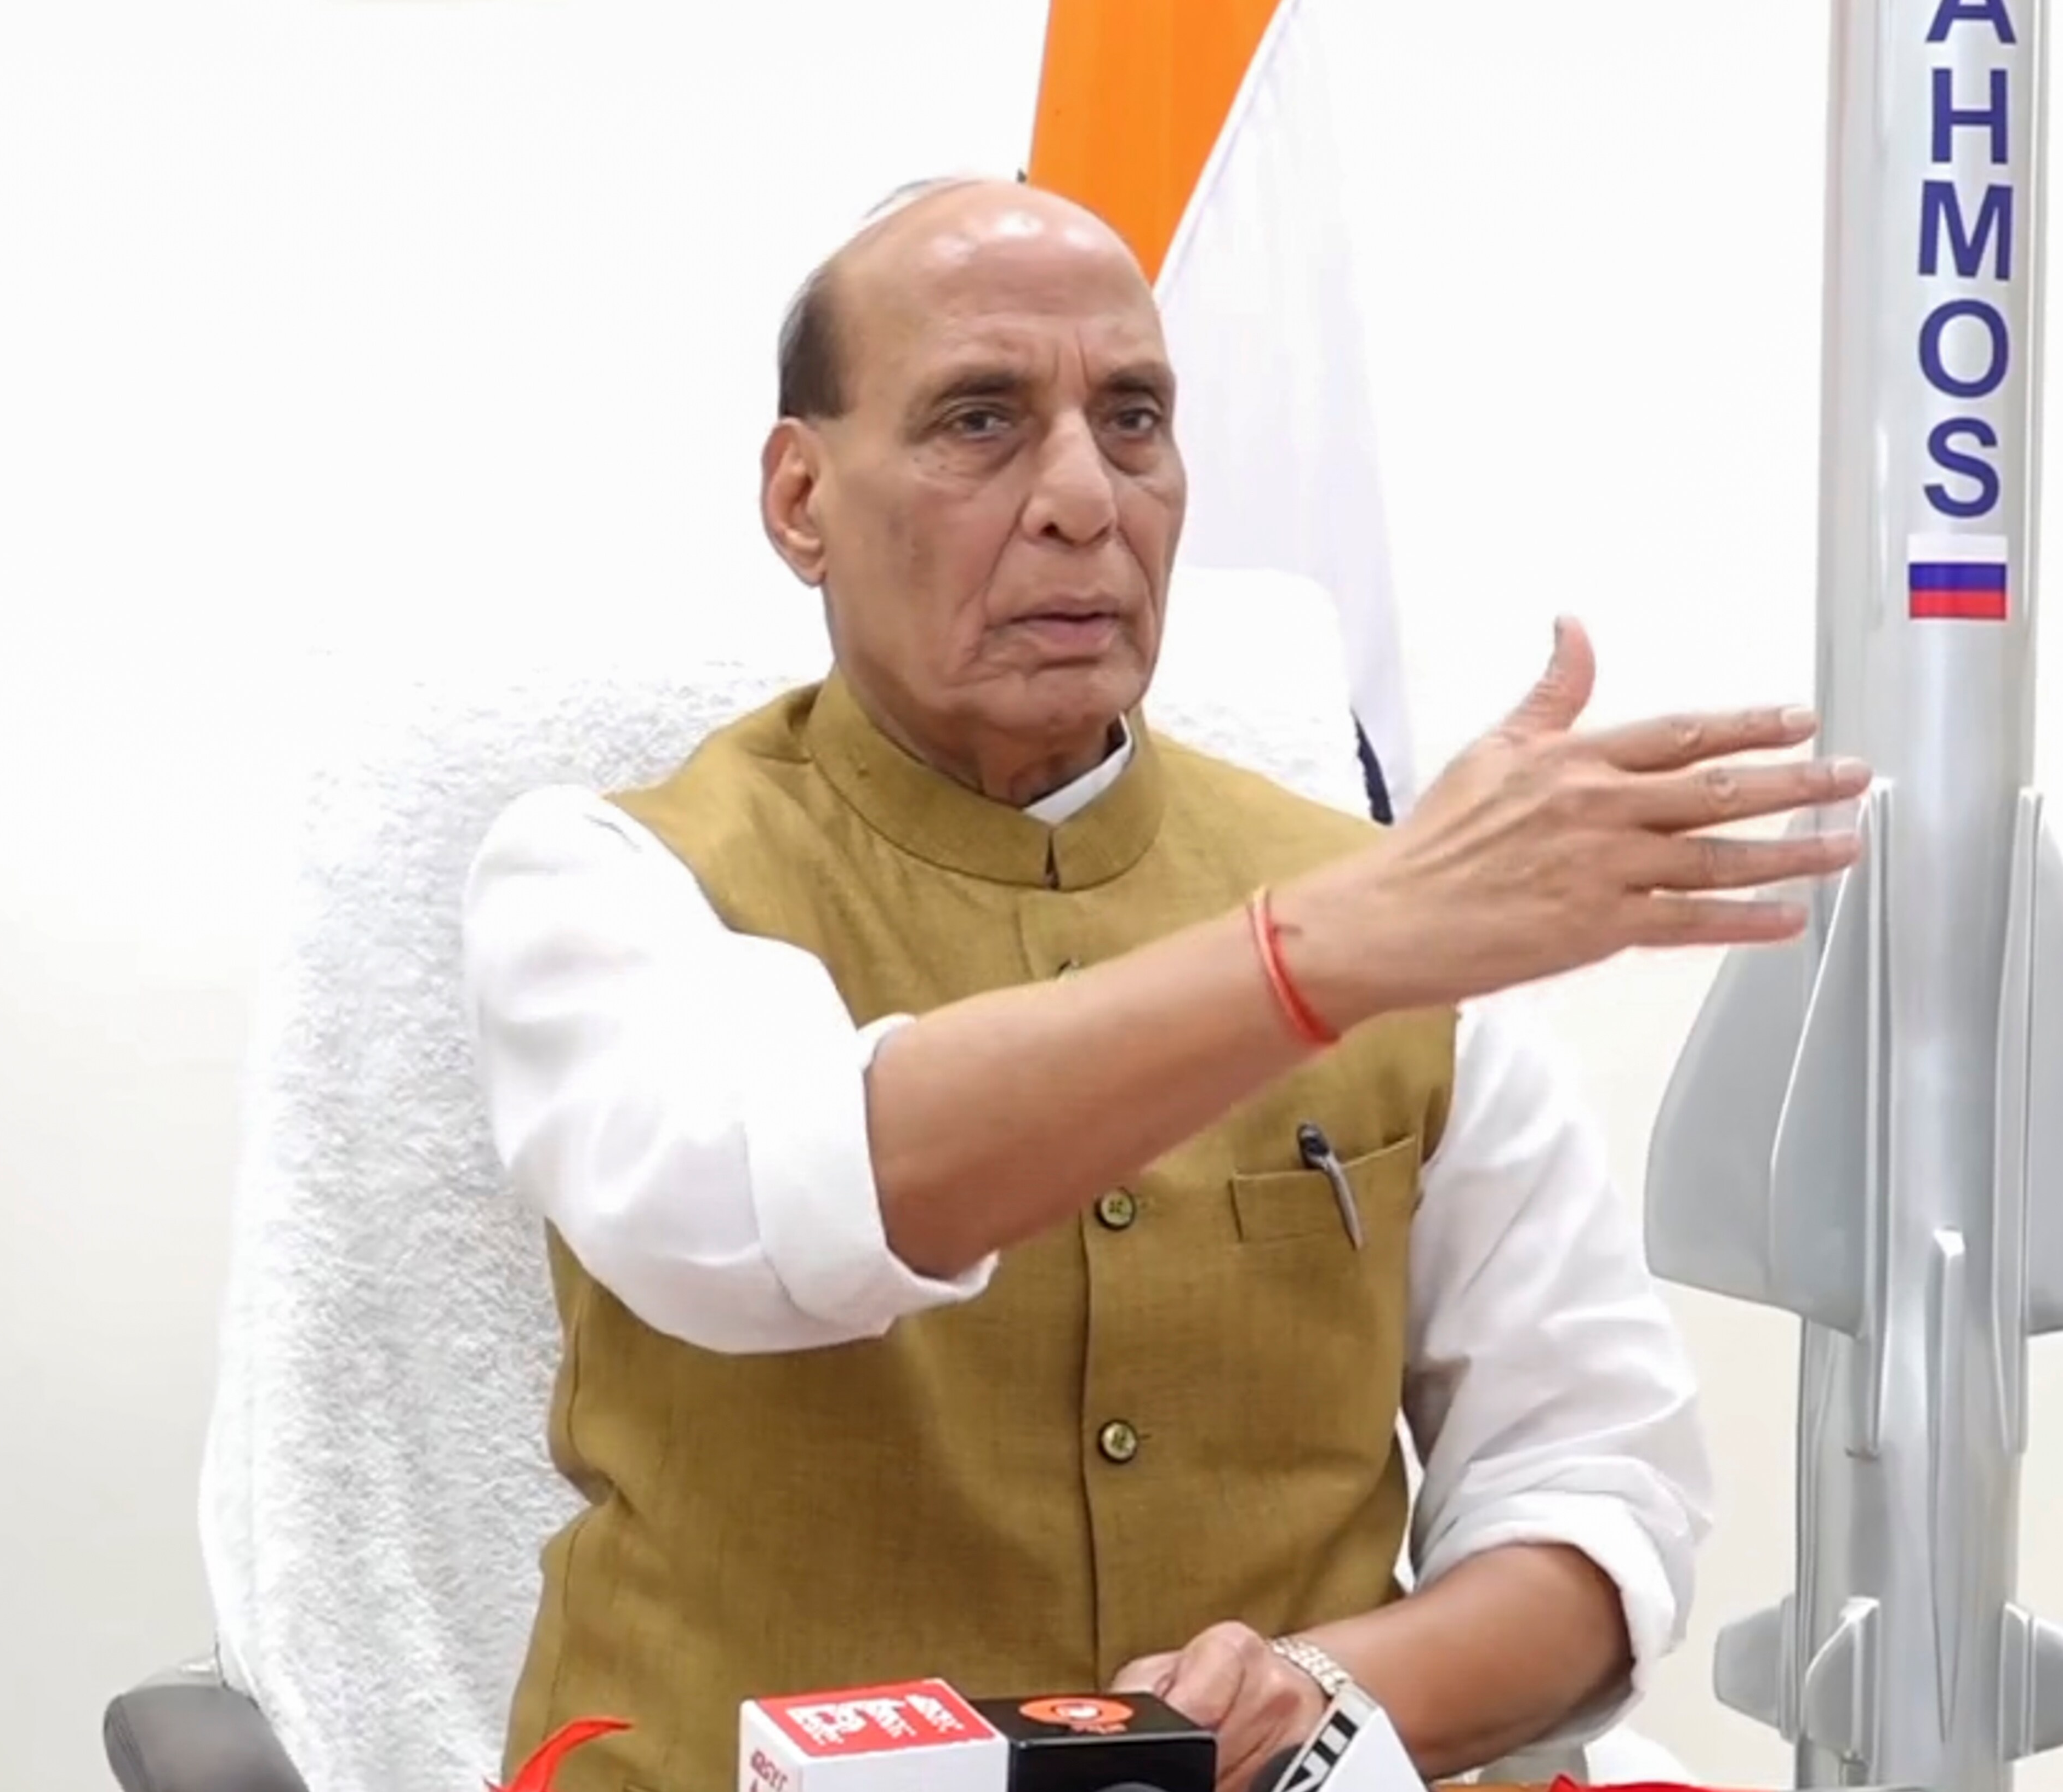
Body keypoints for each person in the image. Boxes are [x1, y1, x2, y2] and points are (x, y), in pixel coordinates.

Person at [460, 174, 1870, 1792]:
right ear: (800, 498)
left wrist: (1318, 1692)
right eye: (981, 421)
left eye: (1132, 420)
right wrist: (1322, 954)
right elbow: (775, 1207)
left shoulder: (1390, 918)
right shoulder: (604, 883)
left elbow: (1597, 1490)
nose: (1084, 498)